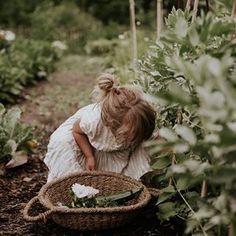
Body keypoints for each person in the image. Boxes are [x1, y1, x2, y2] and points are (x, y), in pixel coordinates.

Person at [44, 73, 156, 183]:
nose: (134, 139)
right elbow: (77, 132)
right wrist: (89, 156)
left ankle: (118, 185)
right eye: (131, 135)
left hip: (107, 145)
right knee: (63, 143)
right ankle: (74, 186)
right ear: (115, 124)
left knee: (142, 150)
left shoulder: (137, 119)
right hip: (81, 138)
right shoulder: (93, 120)